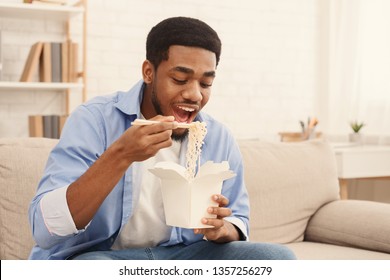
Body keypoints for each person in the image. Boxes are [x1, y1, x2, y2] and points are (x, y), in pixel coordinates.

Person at [28, 16, 296, 260]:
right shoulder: (94, 120)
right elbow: (45, 229)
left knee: (278, 259)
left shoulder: (218, 136)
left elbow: (239, 219)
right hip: (103, 256)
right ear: (148, 72)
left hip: (183, 254)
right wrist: (121, 154)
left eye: (205, 83)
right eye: (180, 79)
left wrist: (224, 229)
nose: (194, 94)